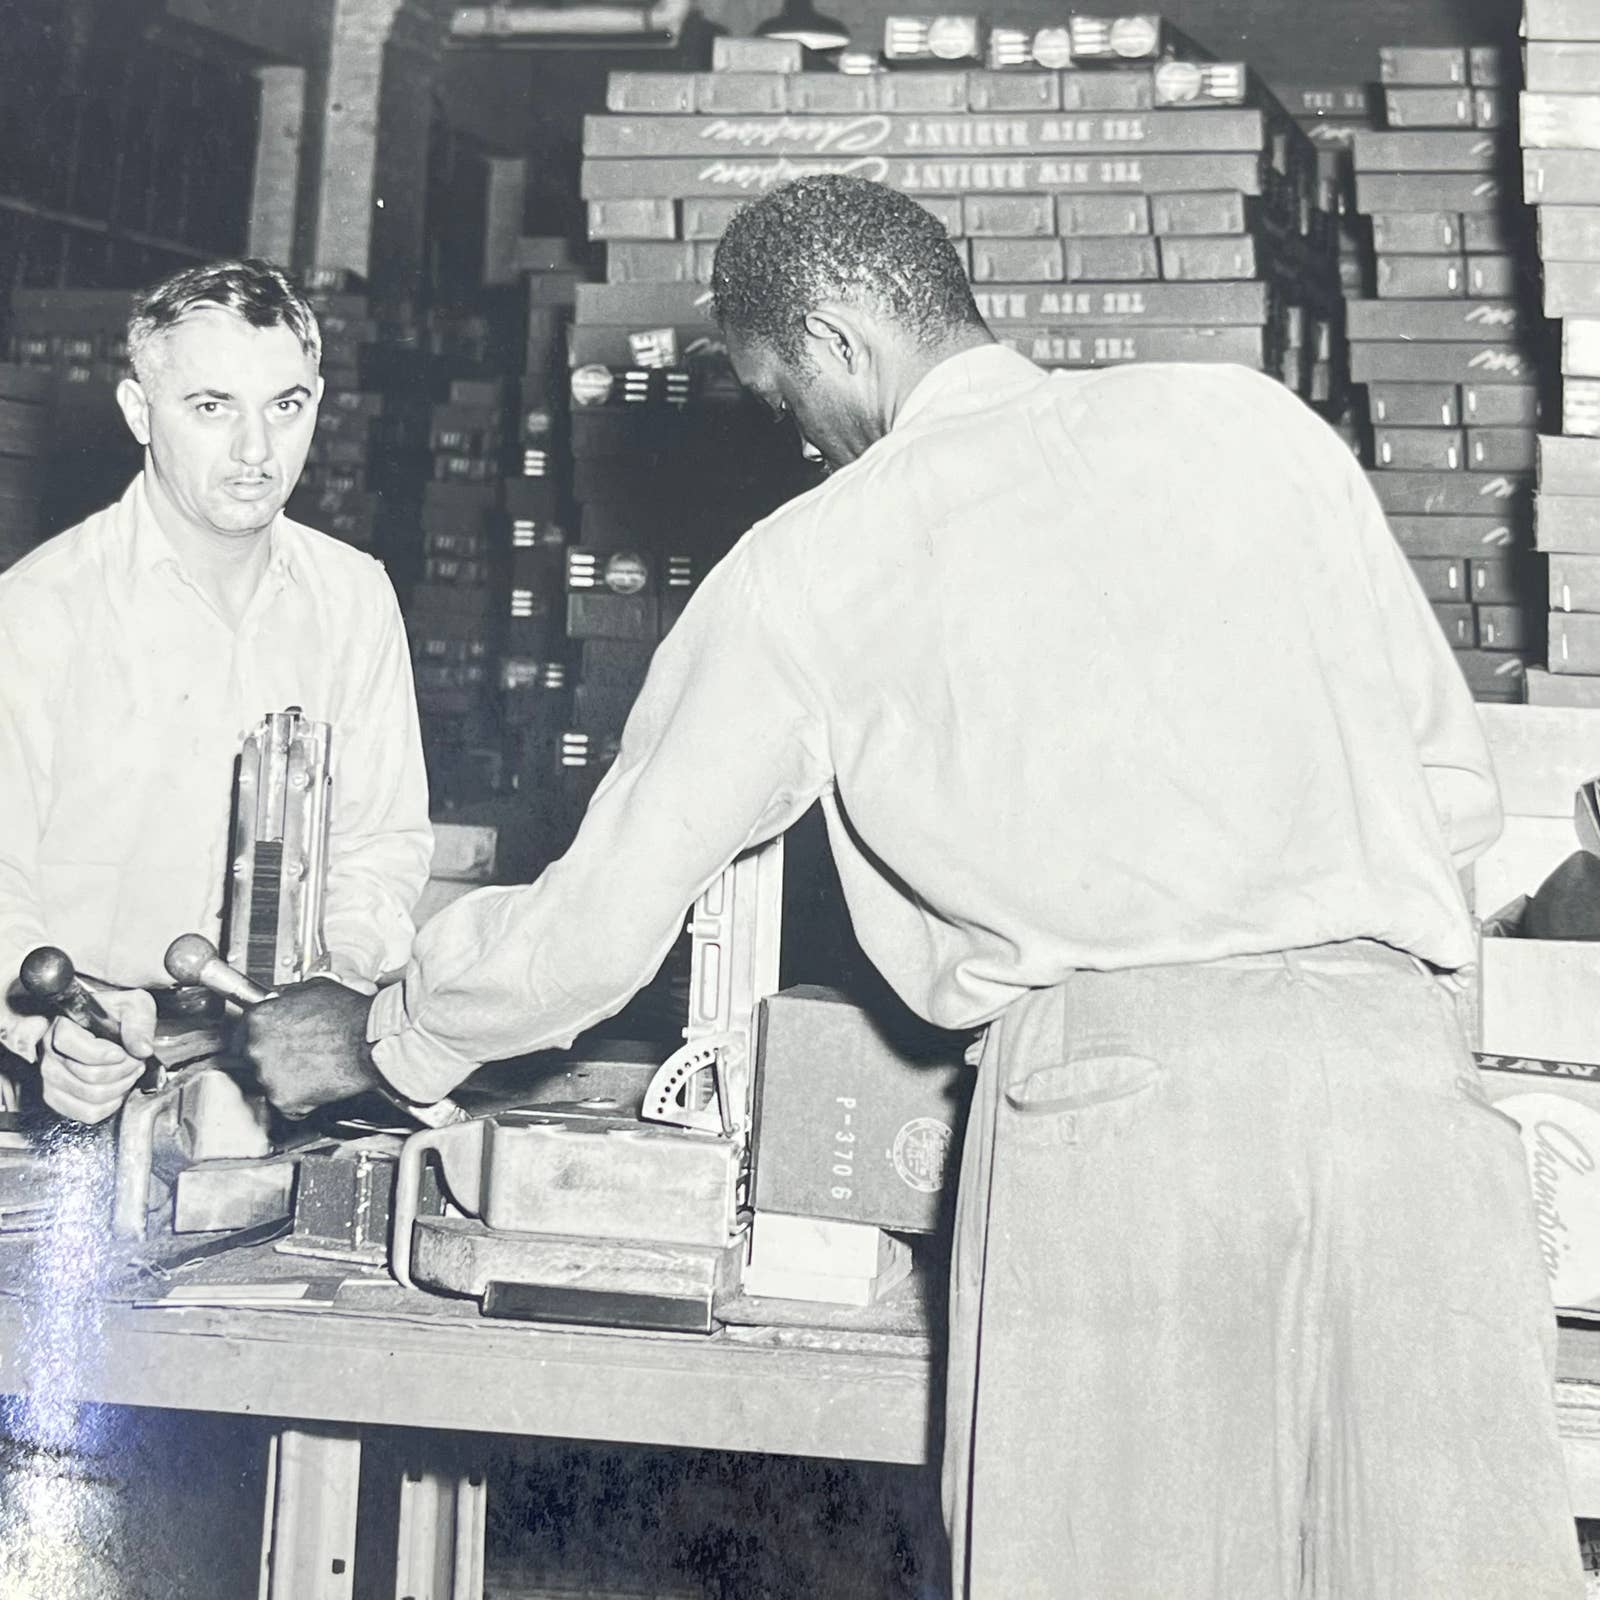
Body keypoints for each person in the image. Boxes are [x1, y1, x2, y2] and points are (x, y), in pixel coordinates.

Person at [246, 177, 1582, 1597]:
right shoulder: (1253, 429)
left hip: (1121, 1117)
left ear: (832, 339)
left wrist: (389, 1032)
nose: (801, 443)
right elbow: (1452, 790)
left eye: (780, 401)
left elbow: (595, 930)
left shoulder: (818, 561)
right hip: (1411, 1096)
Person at [0, 258, 431, 1125]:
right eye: (211, 407)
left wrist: (336, 981)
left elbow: (381, 839)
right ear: (138, 413)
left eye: (285, 405)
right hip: (73, 1057)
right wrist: (49, 1033)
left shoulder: (354, 597)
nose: (255, 451)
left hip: (277, 1070)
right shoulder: (39, 609)